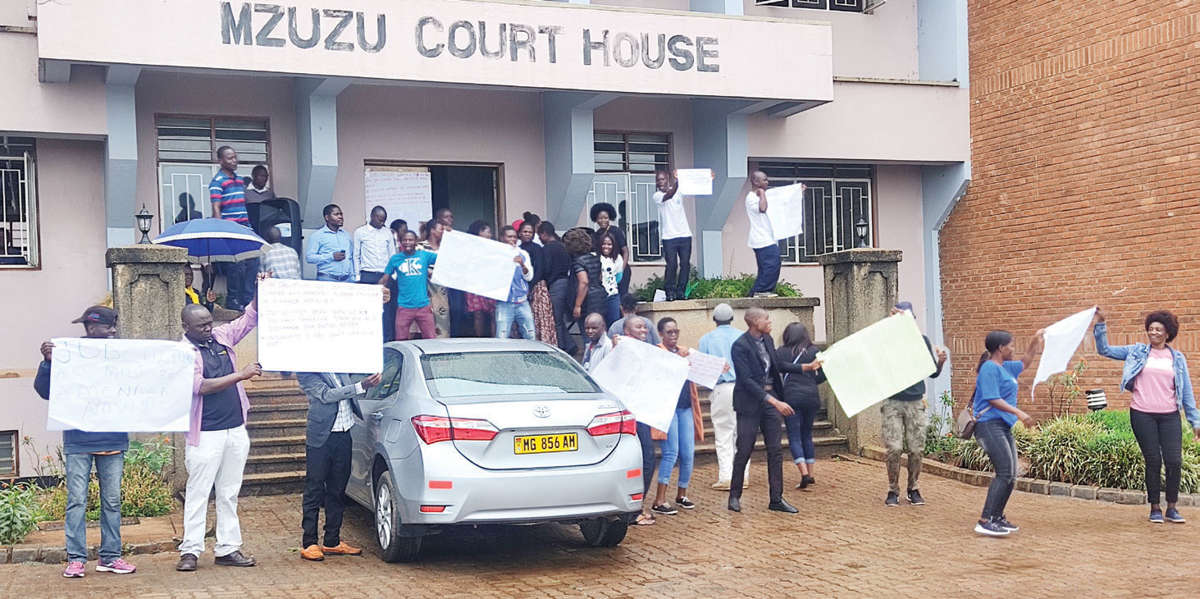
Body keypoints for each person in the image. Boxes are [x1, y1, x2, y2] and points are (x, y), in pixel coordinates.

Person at [34, 306, 137, 578]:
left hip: (112, 438)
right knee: (77, 501)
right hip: (79, 440)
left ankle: (110, 557)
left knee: (112, 501)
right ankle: (76, 559)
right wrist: (48, 363)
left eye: (114, 325)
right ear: (91, 328)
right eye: (108, 326)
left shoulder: (121, 354)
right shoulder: (67, 355)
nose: (113, 330)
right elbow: (45, 391)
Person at [176, 273, 269, 572]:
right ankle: (190, 551)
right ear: (186, 327)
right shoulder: (183, 352)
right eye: (201, 325)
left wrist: (259, 288)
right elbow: (200, 386)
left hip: (235, 428)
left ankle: (228, 548)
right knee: (198, 492)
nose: (208, 328)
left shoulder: (221, 337)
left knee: (229, 492)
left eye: (209, 322)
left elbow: (250, 317)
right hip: (205, 433)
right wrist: (240, 375)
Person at [1094, 308, 1200, 524]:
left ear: (1168, 333)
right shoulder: (1137, 351)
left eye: (1158, 329)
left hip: (1170, 415)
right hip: (1142, 414)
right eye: (1151, 329)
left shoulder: (1177, 358)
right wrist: (1100, 324)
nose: (1153, 332)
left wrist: (1195, 421)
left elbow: (1187, 392)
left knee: (1174, 461)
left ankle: (1172, 507)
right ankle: (1155, 508)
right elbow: (1104, 350)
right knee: (1153, 460)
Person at [296, 371, 382, 561]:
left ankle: (332, 541)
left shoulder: (340, 367)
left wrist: (369, 382)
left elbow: (351, 390)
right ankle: (309, 542)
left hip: (344, 433)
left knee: (338, 489)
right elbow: (326, 395)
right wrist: (361, 386)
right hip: (321, 437)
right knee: (314, 489)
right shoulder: (306, 372)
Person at [970, 328, 1044, 537]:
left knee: (1010, 474)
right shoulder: (989, 368)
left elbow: (1026, 362)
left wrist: (1034, 342)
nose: (1013, 349)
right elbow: (992, 398)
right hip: (988, 425)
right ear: (1001, 348)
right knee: (1004, 472)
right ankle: (985, 520)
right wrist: (1019, 413)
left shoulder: (1006, 367)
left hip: (1002, 426)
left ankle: (997, 516)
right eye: (1011, 345)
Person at [728, 307, 796, 514]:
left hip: (770, 401)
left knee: (775, 450)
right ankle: (734, 495)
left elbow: (776, 365)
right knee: (744, 449)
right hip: (749, 404)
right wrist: (775, 402)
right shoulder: (740, 346)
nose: (769, 322)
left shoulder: (768, 340)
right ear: (755, 322)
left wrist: (805, 367)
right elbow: (746, 380)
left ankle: (776, 498)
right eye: (766, 319)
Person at [881, 301, 947, 507]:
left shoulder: (921, 340)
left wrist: (941, 362)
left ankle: (913, 488)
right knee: (894, 448)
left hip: (915, 401)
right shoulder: (887, 341)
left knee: (916, 449)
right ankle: (893, 489)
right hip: (892, 401)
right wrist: (889, 324)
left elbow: (932, 373)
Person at [649, 317, 704, 516]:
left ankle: (682, 494)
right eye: (669, 332)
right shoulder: (657, 353)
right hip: (668, 409)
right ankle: (659, 499)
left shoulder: (684, 352)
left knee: (688, 453)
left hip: (685, 407)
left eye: (676, 331)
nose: (673, 335)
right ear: (661, 334)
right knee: (671, 452)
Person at [613, 316, 659, 526]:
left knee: (647, 459)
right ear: (627, 331)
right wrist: (617, 346)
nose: (644, 330)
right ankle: (633, 510)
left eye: (645, 327)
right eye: (638, 327)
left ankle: (635, 506)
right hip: (630, 414)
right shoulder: (621, 348)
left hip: (644, 412)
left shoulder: (647, 351)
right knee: (645, 459)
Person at [698, 303, 749, 491]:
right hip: (744, 387)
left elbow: (703, 368)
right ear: (732, 318)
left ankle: (727, 476)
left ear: (714, 319)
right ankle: (743, 476)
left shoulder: (706, 339)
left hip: (721, 388)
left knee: (723, 433)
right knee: (742, 433)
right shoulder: (743, 336)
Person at [774, 322, 825, 491]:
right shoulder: (814, 351)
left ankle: (803, 473)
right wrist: (811, 381)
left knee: (794, 436)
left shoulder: (781, 352)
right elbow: (824, 374)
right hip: (811, 397)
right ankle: (811, 473)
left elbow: (777, 370)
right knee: (807, 434)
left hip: (791, 397)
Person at [209, 146, 256, 310]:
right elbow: (216, 208)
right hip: (230, 229)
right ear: (220, 161)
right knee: (237, 266)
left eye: (235, 157)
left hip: (245, 228)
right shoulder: (217, 182)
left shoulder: (240, 180)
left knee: (253, 261)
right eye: (230, 158)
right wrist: (220, 232)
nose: (234, 161)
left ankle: (248, 299)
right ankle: (233, 300)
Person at [380, 230, 437, 340]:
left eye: (410, 240)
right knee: (401, 339)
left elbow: (444, 259)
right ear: (400, 242)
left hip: (423, 306)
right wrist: (372, 291)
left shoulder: (424, 255)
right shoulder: (395, 259)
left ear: (416, 241)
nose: (407, 242)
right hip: (404, 307)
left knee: (431, 338)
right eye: (404, 240)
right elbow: (385, 278)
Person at [537, 222, 576, 355]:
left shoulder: (547, 249)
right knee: (559, 317)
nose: (539, 238)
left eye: (539, 235)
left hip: (556, 284)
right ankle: (569, 344)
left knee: (556, 319)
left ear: (544, 234)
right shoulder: (563, 246)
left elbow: (546, 269)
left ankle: (562, 348)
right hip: (567, 283)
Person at [655, 170, 692, 301]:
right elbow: (669, 195)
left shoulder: (678, 191)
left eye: (663, 179)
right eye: (658, 180)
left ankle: (681, 292)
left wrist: (706, 178)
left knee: (685, 264)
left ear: (668, 179)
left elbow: (694, 186)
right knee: (672, 265)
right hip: (669, 237)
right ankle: (669, 291)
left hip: (685, 235)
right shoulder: (657, 196)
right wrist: (678, 181)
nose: (660, 182)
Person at [520, 220, 557, 345]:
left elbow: (540, 269)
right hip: (521, 287)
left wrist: (531, 287)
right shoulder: (518, 250)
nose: (527, 234)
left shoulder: (538, 249)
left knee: (540, 317)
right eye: (525, 231)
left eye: (530, 232)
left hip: (537, 287)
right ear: (520, 233)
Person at [496, 225, 536, 339]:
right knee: (502, 336)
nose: (513, 239)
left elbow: (529, 277)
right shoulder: (496, 254)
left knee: (530, 335)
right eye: (509, 237)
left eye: (514, 237)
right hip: (504, 301)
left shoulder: (523, 254)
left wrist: (522, 264)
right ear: (502, 238)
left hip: (522, 301)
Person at [745, 170, 780, 297]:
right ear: (755, 181)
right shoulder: (751, 197)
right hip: (761, 239)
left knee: (767, 268)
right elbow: (763, 208)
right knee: (771, 266)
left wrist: (797, 192)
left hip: (768, 238)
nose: (767, 182)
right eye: (764, 180)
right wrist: (762, 194)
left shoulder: (763, 195)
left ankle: (758, 293)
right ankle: (761, 291)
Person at [566, 227, 608, 333]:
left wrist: (577, 305)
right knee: (599, 330)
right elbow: (600, 278)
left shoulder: (578, 262)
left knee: (588, 332)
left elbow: (584, 282)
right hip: (600, 297)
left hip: (587, 302)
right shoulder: (595, 259)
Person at [589, 202, 632, 297]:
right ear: (596, 219)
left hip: (621, 269)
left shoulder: (616, 231)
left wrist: (621, 269)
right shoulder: (595, 235)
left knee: (621, 296)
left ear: (610, 218)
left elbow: (625, 251)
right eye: (600, 218)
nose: (603, 220)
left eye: (606, 218)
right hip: (606, 271)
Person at [464, 221, 497, 337]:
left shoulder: (494, 247)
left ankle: (495, 339)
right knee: (478, 314)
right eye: (487, 232)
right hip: (475, 284)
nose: (490, 235)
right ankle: (479, 339)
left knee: (494, 313)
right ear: (479, 232)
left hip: (490, 283)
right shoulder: (468, 248)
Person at [420, 218, 452, 338]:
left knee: (442, 318)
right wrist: (429, 272)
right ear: (432, 231)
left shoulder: (446, 247)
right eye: (441, 229)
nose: (443, 232)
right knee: (425, 319)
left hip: (441, 289)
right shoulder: (420, 247)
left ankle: (442, 344)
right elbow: (415, 264)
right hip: (423, 287)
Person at [306, 204, 354, 282]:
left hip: (347, 280)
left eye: (341, 214)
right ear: (327, 217)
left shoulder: (346, 235)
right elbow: (309, 258)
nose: (340, 217)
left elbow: (350, 257)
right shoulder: (317, 235)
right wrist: (331, 256)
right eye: (336, 214)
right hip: (327, 279)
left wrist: (353, 277)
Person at [354, 206, 396, 285]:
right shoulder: (360, 232)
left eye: (384, 221)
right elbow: (356, 256)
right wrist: (357, 275)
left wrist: (393, 274)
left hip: (385, 274)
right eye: (380, 220)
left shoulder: (388, 232)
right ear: (372, 216)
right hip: (367, 274)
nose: (382, 223)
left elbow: (392, 254)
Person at [597, 232, 624, 324]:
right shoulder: (595, 257)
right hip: (598, 296)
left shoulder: (618, 258)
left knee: (614, 322)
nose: (606, 246)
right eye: (604, 244)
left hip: (613, 295)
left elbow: (619, 277)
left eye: (609, 244)